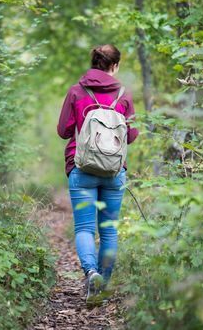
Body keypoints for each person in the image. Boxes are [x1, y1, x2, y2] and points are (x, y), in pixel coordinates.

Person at [57, 44, 139, 307]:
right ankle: (102, 284)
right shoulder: (124, 94)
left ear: (94, 62)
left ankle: (91, 273)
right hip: (114, 171)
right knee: (109, 231)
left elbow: (63, 130)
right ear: (115, 65)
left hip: (81, 168)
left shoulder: (76, 91)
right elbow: (133, 134)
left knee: (83, 227)